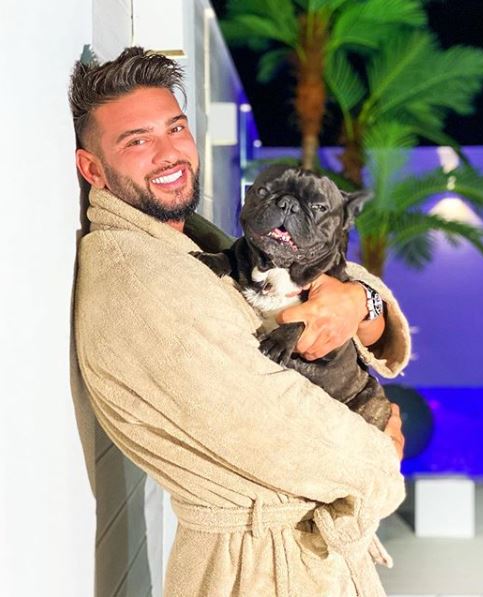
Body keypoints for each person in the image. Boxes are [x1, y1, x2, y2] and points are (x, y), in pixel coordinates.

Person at [71, 47, 411, 597]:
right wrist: (383, 461)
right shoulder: (141, 279)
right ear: (92, 169)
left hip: (288, 559)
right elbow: (279, 428)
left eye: (175, 128)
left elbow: (324, 282)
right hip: (260, 572)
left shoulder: (187, 245)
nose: (169, 152)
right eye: (137, 141)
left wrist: (360, 301)